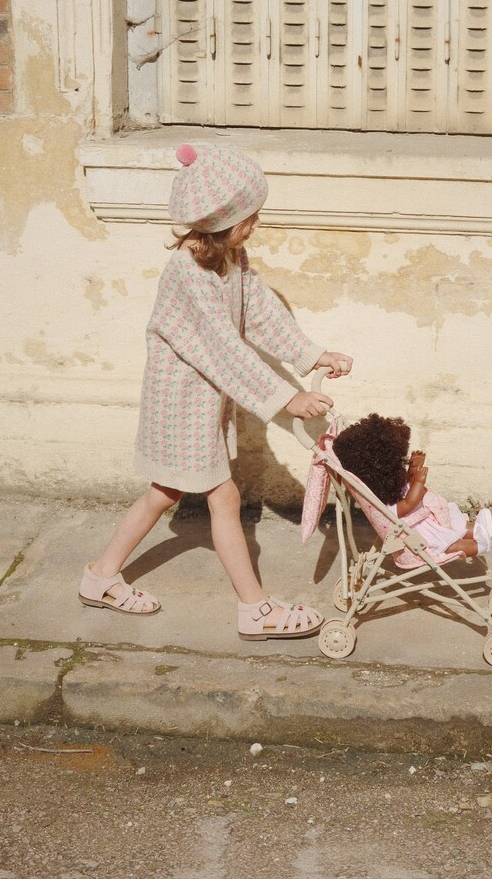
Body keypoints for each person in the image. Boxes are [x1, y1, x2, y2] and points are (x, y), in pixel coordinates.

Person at [78, 142, 352, 640]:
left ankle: (100, 576)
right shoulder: (188, 273)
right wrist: (288, 400)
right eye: (251, 217)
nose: (256, 224)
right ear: (222, 221)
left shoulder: (231, 258)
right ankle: (255, 608)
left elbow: (261, 312)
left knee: (163, 493)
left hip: (201, 399)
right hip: (178, 400)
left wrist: (312, 354)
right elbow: (222, 346)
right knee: (221, 498)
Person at [331, 414, 492, 559]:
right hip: (419, 532)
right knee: (448, 544)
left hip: (426, 519)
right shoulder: (382, 504)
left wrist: (414, 468)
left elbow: (406, 482)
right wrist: (418, 483)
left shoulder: (387, 484)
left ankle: (478, 530)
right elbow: (408, 504)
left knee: (453, 520)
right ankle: (480, 546)